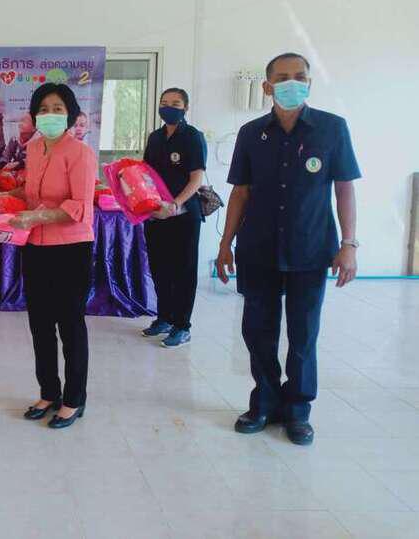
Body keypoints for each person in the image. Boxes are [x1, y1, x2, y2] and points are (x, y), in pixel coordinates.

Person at [217, 53, 360, 446]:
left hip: (310, 249)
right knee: (258, 331)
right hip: (258, 248)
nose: (292, 83)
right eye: (282, 78)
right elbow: (240, 192)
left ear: (309, 83)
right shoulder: (251, 133)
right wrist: (225, 244)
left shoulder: (332, 128)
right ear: (267, 87)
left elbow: (344, 188)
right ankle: (264, 403)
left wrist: (348, 244)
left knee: (303, 334)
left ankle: (297, 410)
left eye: (300, 76)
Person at [8, 83, 97, 429]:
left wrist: (37, 216)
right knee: (40, 325)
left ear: (71, 114)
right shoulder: (33, 148)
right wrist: (0, 198)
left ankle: (74, 400)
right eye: (43, 109)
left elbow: (79, 206)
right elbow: (32, 193)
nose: (50, 115)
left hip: (71, 249)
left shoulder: (80, 153)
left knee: (70, 326)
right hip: (35, 247)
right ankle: (48, 393)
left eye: (58, 108)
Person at [141, 88, 207, 348]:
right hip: (157, 213)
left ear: (185, 108)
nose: (169, 107)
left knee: (183, 271)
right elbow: (146, 174)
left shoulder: (192, 137)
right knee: (160, 268)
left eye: (175, 103)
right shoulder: (155, 138)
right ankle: (164, 318)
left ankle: (182, 326)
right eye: (164, 102)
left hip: (184, 214)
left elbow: (196, 179)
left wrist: (176, 203)